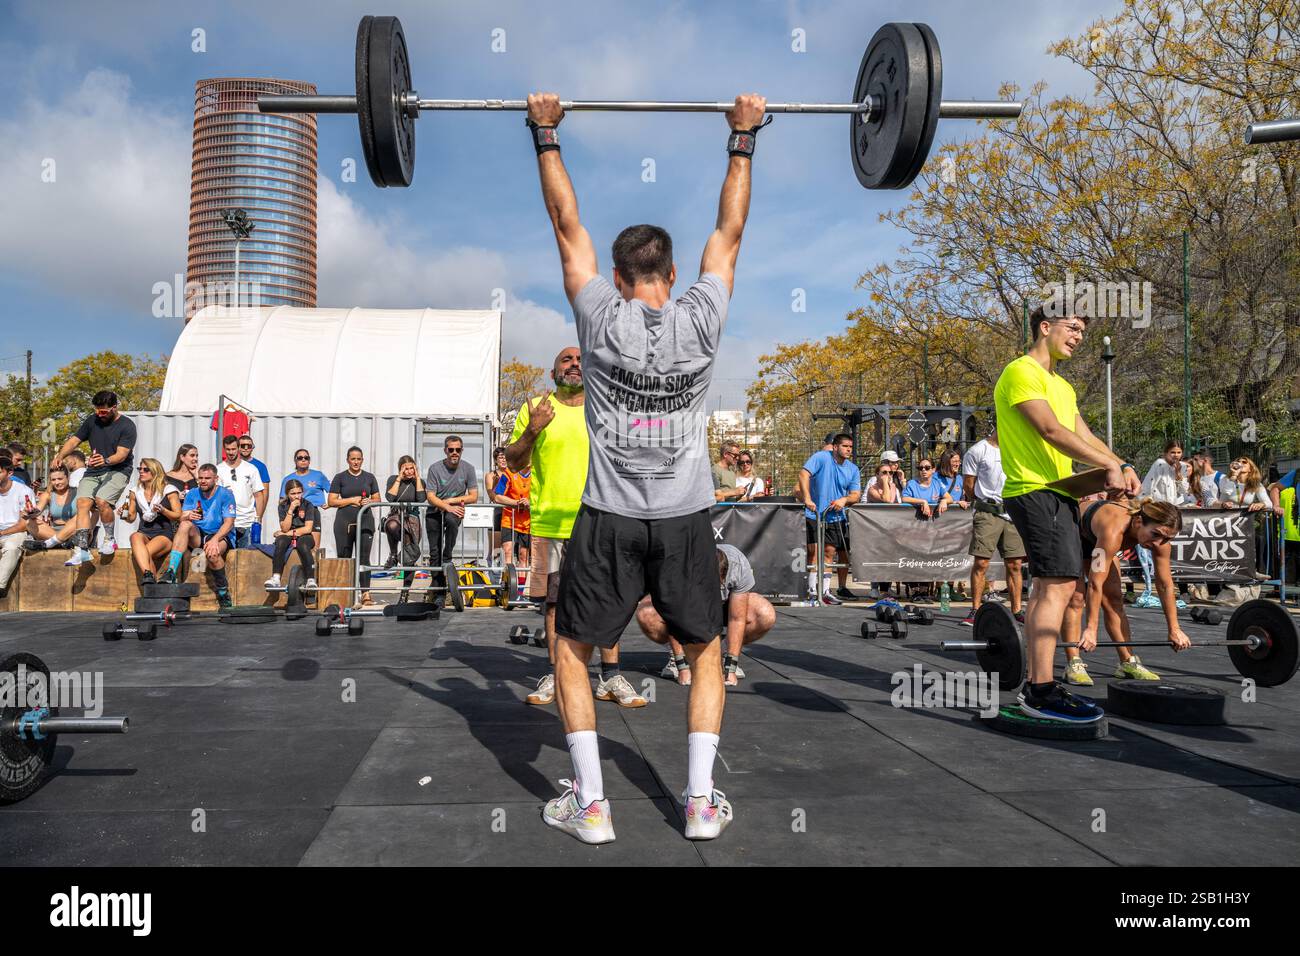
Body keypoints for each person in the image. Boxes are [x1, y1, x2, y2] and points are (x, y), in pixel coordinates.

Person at [525, 90, 761, 843]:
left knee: (570, 645)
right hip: (687, 514)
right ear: (665, 268)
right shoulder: (703, 316)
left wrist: (545, 133)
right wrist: (744, 139)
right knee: (705, 650)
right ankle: (698, 804)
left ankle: (592, 807)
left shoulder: (596, 313)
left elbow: (568, 226)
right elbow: (729, 231)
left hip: (611, 516)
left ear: (622, 276)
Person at [994, 304, 1141, 724]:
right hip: (1033, 490)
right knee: (1057, 587)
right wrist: (1108, 468)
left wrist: (1122, 463)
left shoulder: (1063, 386)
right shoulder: (1021, 371)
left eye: (1082, 331)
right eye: (1072, 328)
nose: (1078, 337)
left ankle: (1038, 685)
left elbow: (1082, 433)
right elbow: (1051, 431)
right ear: (1045, 327)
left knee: (1050, 588)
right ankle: (1039, 690)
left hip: (1061, 493)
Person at [506, 346, 645, 708]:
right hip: (551, 523)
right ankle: (556, 674)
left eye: (581, 360)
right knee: (555, 604)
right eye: (565, 360)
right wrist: (533, 430)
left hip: (602, 521)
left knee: (608, 600)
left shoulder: (605, 410)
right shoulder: (535, 408)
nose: (574, 364)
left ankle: (610, 676)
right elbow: (514, 461)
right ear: (553, 374)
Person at [1062, 497, 1189, 685]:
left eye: (1167, 538)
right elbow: (1096, 583)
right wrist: (1091, 629)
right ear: (1138, 522)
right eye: (1156, 534)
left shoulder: (1161, 542)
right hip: (1072, 532)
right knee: (1077, 597)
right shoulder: (1114, 531)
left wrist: (1174, 629)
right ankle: (1074, 662)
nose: (1159, 543)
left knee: (1114, 598)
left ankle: (1127, 662)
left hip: (1096, 538)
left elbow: (1165, 585)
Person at [651, 544, 775, 687]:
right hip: (692, 609)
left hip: (724, 606)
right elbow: (673, 616)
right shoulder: (680, 567)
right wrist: (682, 666)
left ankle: (722, 655)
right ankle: (679, 655)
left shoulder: (738, 565)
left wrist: (731, 667)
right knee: (648, 614)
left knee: (765, 613)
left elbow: (737, 618)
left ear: (724, 574)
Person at [51, 390, 137, 565]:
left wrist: (105, 460)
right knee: (82, 503)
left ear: (114, 407)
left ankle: (109, 539)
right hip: (94, 470)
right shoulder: (92, 420)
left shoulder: (127, 426)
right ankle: (82, 549)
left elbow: (121, 454)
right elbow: (74, 441)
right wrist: (60, 455)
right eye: (97, 411)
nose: (100, 415)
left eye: (104, 412)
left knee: (101, 500)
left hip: (118, 469)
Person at [960, 426, 1026, 627]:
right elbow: (969, 486)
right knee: (981, 564)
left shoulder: (1017, 449)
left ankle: (1016, 610)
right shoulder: (978, 450)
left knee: (1015, 564)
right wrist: (984, 504)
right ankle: (976, 609)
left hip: (1012, 512)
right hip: (988, 512)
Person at [798, 433, 862, 604]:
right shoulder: (821, 457)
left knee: (829, 553)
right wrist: (807, 498)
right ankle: (811, 591)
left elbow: (856, 495)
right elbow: (803, 474)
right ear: (835, 447)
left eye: (850, 447)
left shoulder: (853, 469)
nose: (848, 449)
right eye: (845, 446)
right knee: (813, 553)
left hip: (835, 517)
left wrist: (844, 500)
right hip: (814, 514)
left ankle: (825, 591)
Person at [161, 463, 237, 608]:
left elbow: (229, 523)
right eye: (200, 478)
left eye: (207, 478)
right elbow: (182, 517)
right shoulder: (192, 493)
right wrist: (186, 515)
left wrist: (215, 540)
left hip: (219, 533)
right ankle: (171, 571)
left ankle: (223, 592)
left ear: (216, 478)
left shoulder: (226, 494)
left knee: (213, 554)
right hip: (198, 534)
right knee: (184, 525)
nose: (203, 481)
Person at [329, 446, 381, 607]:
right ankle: (345, 592)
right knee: (344, 556)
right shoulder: (340, 477)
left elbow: (378, 498)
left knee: (364, 557)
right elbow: (332, 501)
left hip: (365, 521)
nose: (356, 462)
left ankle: (365, 593)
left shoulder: (369, 477)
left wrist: (369, 501)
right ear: (348, 460)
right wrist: (351, 500)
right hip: (344, 522)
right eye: (353, 459)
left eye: (359, 459)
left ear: (362, 460)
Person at [117, 458, 182, 584]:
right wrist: (123, 515)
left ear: (155, 472)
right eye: (139, 469)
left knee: (144, 552)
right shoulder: (135, 492)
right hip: (144, 531)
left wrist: (163, 511)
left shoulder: (168, 490)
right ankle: (149, 576)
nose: (141, 472)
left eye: (145, 469)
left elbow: (178, 515)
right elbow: (131, 518)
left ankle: (150, 582)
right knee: (134, 536)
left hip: (164, 534)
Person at [425, 436, 478, 571]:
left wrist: (451, 502)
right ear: (445, 450)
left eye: (458, 449)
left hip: (454, 510)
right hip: (434, 511)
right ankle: (437, 588)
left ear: (462, 450)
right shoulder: (434, 468)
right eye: (451, 449)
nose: (455, 452)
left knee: (451, 520)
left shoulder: (469, 468)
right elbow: (430, 496)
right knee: (434, 552)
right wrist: (446, 506)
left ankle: (447, 555)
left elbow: (473, 496)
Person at [265, 479, 319, 592]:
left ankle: (310, 579)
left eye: (298, 493)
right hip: (289, 533)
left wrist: (286, 533)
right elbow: (284, 527)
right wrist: (290, 510)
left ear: (302, 492)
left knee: (303, 545)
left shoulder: (308, 505)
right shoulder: (283, 506)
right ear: (287, 494)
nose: (296, 496)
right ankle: (276, 577)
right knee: (280, 542)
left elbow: (307, 528)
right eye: (293, 494)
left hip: (305, 535)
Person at [217, 434, 266, 549]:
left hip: (248, 523)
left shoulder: (251, 469)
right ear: (224, 449)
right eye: (228, 449)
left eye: (233, 449)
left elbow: (259, 496)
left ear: (238, 448)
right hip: (227, 523)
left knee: (248, 559)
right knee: (229, 559)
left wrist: (258, 519)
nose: (231, 452)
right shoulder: (218, 469)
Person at [280, 448, 329, 549]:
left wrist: (329, 503)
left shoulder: (318, 475)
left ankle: (312, 565)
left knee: (314, 548)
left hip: (313, 511)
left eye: (306, 458)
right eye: (300, 458)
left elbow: (333, 491)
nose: (303, 460)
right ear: (295, 461)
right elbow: (282, 499)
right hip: (294, 512)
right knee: (295, 546)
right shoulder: (288, 479)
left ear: (309, 460)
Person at [383, 455, 425, 574]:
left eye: (411, 468)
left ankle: (405, 591)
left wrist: (417, 478)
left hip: (412, 520)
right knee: (391, 525)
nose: (409, 471)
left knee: (408, 556)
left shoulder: (419, 482)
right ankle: (393, 554)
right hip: (396, 516)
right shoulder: (393, 479)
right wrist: (399, 478)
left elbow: (421, 498)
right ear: (400, 469)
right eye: (405, 469)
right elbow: (390, 497)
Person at [22, 465, 79, 550]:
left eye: (60, 479)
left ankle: (55, 543)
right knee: (29, 522)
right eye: (53, 480)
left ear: (67, 478)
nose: (56, 482)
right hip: (52, 532)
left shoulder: (78, 492)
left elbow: (94, 512)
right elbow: (38, 510)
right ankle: (63, 544)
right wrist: (30, 513)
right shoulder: (48, 494)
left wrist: (92, 530)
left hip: (73, 532)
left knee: (80, 516)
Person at [0, 456, 33, 594]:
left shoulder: (23, 491)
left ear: (10, 473)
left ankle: (0, 586)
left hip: (15, 532)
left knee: (11, 547)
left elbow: (24, 524)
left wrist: (1, 533)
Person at [494, 457, 532, 570]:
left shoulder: (537, 475)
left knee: (523, 556)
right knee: (507, 552)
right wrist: (517, 503)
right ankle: (509, 585)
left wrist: (530, 503)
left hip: (528, 521)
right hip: (509, 519)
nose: (530, 458)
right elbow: (498, 497)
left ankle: (520, 588)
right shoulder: (508, 473)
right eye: (527, 455)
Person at [237, 435, 271, 543]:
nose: (246, 448)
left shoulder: (260, 466)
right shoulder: (231, 465)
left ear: (252, 447)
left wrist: (259, 516)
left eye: (249, 446)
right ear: (238, 447)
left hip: (251, 515)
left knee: (251, 547)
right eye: (243, 445)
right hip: (234, 514)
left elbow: (264, 492)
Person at [484, 447, 508, 563]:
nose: (503, 460)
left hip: (511, 512)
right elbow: (491, 496)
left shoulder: (514, 474)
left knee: (510, 548)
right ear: (496, 460)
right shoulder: (491, 475)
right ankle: (493, 573)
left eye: (505, 457)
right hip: (498, 512)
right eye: (500, 457)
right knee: (495, 548)